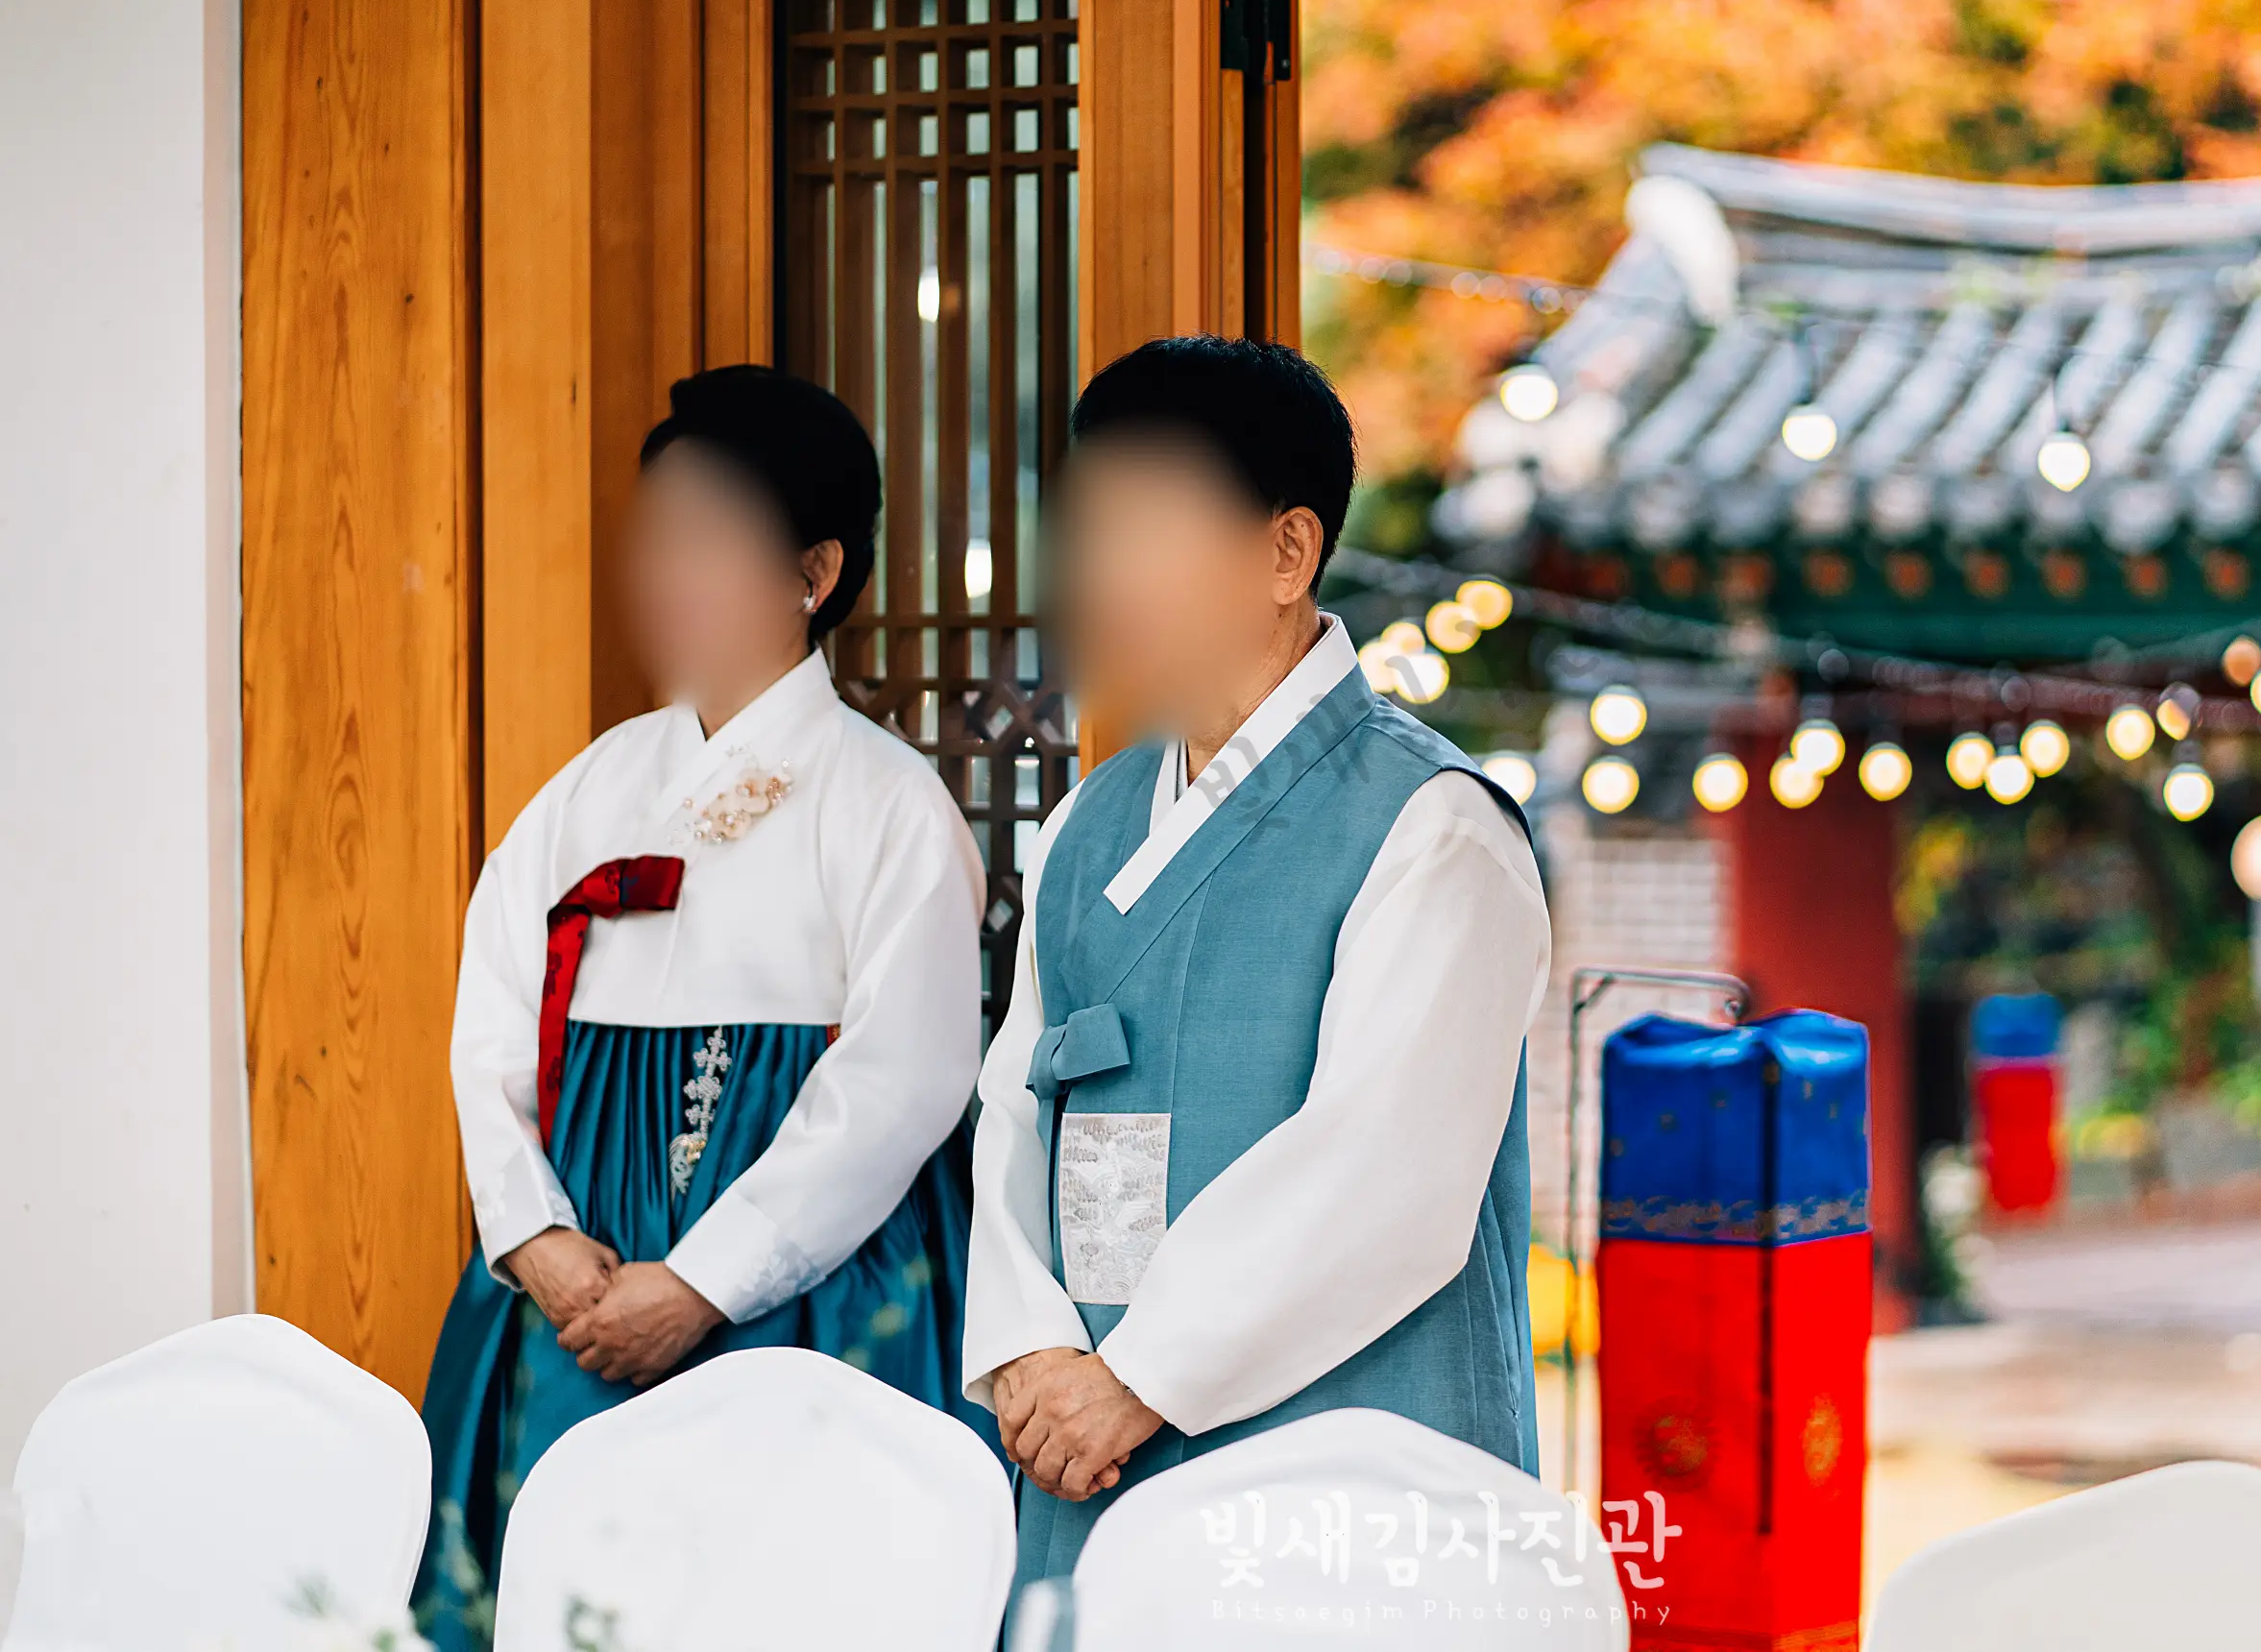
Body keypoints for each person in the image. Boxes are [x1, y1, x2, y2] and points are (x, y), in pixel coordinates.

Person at [416, 365, 993, 1640]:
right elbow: (490, 1024)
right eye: (658, 535)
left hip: (810, 1280)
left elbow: (899, 1084)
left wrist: (705, 1283)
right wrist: (534, 1237)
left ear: (813, 572)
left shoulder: (888, 805)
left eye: (710, 537)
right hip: (581, 1269)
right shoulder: (587, 791)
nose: (668, 571)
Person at [963, 335, 1551, 1583]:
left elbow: (1385, 1178)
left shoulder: (1432, 824)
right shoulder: (1084, 828)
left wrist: (1139, 1377)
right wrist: (1028, 1350)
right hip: (1088, 1447)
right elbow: (1012, 1112)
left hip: (1343, 1473)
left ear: (1287, 553)